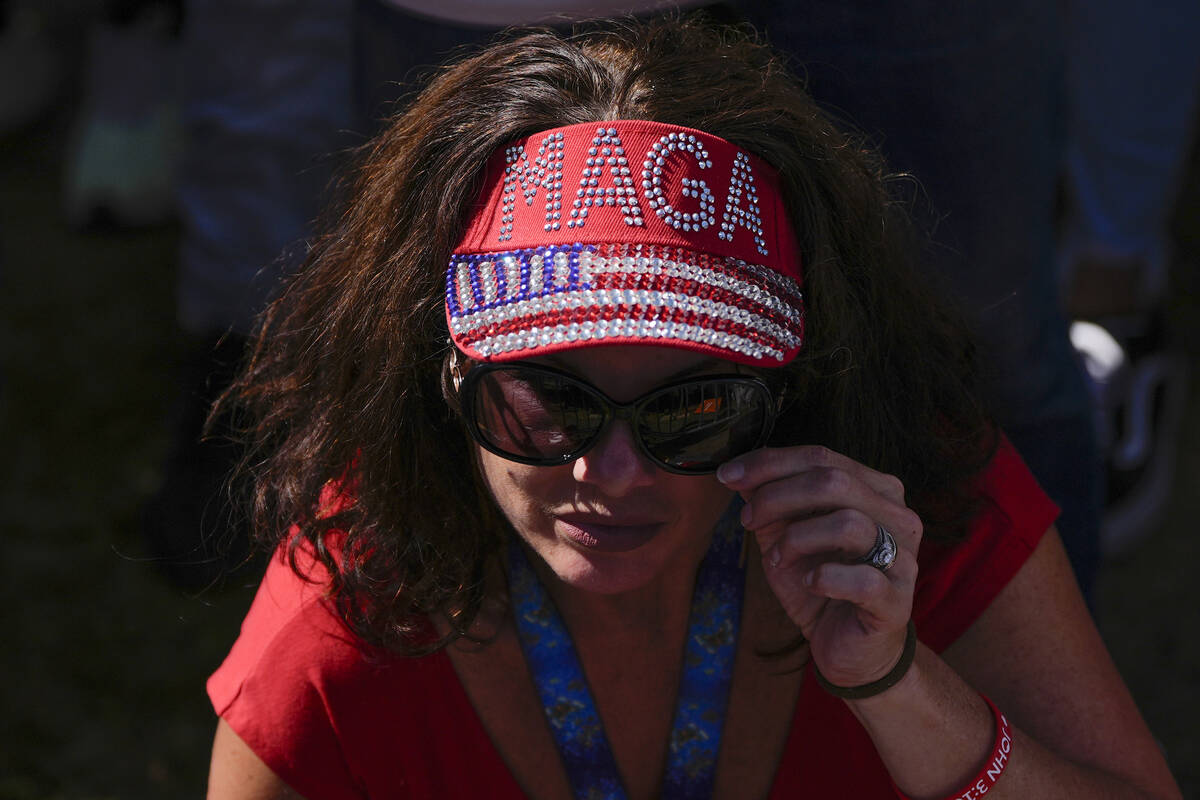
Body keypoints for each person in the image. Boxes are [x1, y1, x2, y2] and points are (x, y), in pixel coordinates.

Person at [205, 17, 1182, 800]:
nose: (613, 473)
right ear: (439, 371)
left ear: (798, 387)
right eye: (548, 400)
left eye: (696, 405)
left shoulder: (915, 505)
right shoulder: (350, 615)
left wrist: (899, 684)